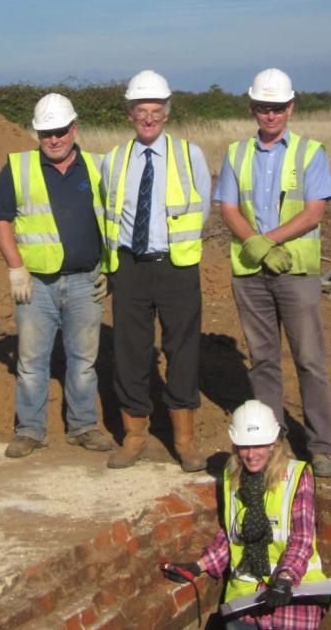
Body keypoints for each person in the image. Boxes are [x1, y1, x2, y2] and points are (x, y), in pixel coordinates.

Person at [214, 68, 331, 478]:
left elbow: (314, 211)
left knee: (309, 359)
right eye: (264, 108)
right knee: (263, 360)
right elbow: (229, 208)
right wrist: (257, 245)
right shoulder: (236, 154)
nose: (271, 115)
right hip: (251, 274)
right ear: (253, 108)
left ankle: (320, 446)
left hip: (295, 273)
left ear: (291, 107)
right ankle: (272, 441)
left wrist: (268, 241)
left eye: (278, 108)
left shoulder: (310, 152)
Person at [0, 93, 112, 458]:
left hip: (85, 280)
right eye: (46, 133)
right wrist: (15, 267)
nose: (54, 139)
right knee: (30, 362)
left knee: (84, 360)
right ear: (36, 134)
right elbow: (0, 219)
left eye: (60, 131)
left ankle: (83, 425)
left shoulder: (98, 167)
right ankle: (30, 429)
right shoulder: (18, 167)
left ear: (74, 129)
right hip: (36, 285)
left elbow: (115, 218)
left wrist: (109, 267)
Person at [101, 70, 211, 471]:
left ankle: (184, 439)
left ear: (167, 113)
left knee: (182, 350)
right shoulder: (114, 160)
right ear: (130, 114)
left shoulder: (189, 154)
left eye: (155, 111)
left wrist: (176, 246)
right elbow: (107, 212)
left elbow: (202, 209)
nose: (148, 118)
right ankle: (134, 436)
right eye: (140, 110)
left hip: (176, 266)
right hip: (129, 266)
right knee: (130, 351)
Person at [162, 399, 329, 628]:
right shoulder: (232, 478)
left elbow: (302, 537)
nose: (251, 455)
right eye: (244, 446)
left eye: (259, 445)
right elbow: (232, 533)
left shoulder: (297, 475)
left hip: (294, 590)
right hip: (246, 593)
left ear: (273, 443)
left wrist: (285, 579)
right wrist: (199, 565)